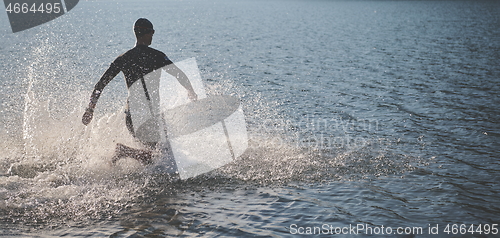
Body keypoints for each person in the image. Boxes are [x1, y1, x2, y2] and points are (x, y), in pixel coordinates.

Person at [82, 18, 197, 164]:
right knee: (161, 155)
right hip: (147, 115)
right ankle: (124, 151)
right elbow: (179, 74)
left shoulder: (124, 58)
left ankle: (132, 159)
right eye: (152, 32)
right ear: (146, 33)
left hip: (131, 116)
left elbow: (100, 85)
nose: (153, 36)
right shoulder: (157, 56)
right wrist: (191, 91)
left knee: (162, 153)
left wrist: (90, 109)